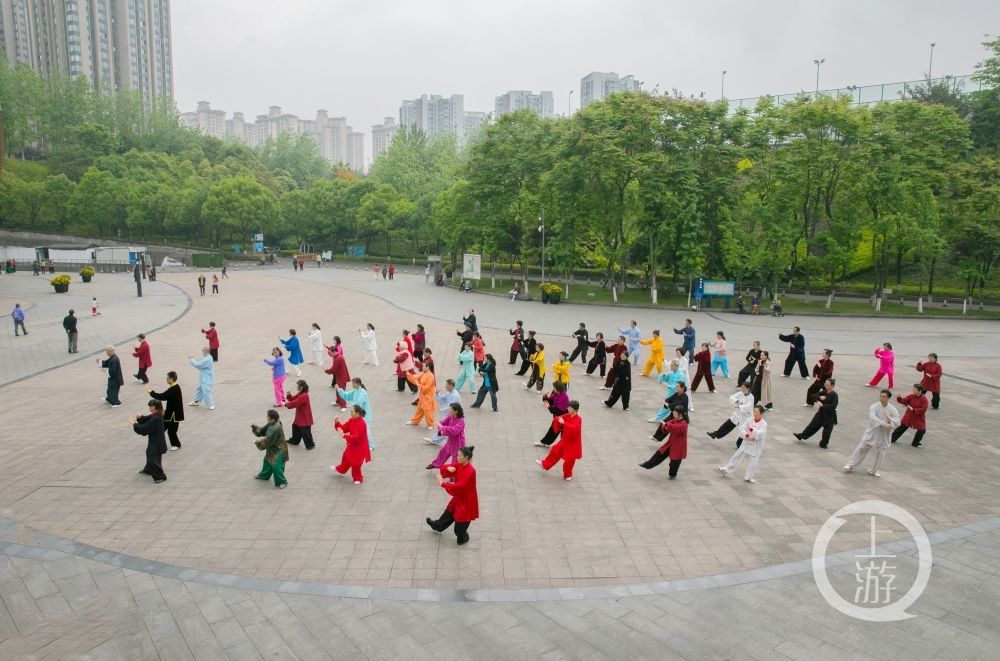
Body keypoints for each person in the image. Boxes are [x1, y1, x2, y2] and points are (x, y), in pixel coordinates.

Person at [426, 445, 478, 545]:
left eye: (459, 456)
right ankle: (437, 526)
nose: (457, 457)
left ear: (466, 458)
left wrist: (443, 483)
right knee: (448, 513)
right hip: (458, 498)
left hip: (466, 502)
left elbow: (460, 486)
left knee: (458, 531)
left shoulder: (471, 471)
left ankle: (463, 537)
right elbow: (444, 469)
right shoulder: (459, 465)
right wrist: (448, 468)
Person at [844, 390, 900, 477]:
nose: (881, 398)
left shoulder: (893, 409)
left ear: (888, 398)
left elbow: (897, 421)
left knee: (881, 452)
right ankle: (851, 465)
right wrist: (883, 423)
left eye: (884, 397)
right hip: (873, 431)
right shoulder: (874, 406)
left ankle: (874, 470)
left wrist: (890, 420)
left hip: (884, 433)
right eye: (880, 396)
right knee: (861, 447)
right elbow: (872, 417)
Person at [718, 405, 768, 483]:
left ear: (760, 413)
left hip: (756, 445)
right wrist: (747, 435)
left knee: (754, 462)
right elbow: (742, 428)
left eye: (756, 412)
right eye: (754, 411)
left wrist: (754, 432)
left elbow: (762, 433)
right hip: (747, 441)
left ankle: (748, 477)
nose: (754, 413)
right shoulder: (750, 420)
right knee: (737, 455)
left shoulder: (764, 423)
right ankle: (727, 469)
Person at [536, 401, 583, 481]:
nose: (568, 408)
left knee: (569, 460)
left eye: (570, 408)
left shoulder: (578, 419)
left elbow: (574, 428)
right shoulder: (568, 415)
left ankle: (567, 474)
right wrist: (557, 420)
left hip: (573, 443)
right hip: (565, 440)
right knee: (555, 450)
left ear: (575, 410)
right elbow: (559, 418)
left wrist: (564, 423)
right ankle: (545, 464)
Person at [640, 406, 689, 479]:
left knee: (674, 462)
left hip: (678, 446)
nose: (673, 414)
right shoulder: (675, 420)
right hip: (670, 443)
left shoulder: (684, 424)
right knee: (659, 453)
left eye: (675, 413)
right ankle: (648, 464)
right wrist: (665, 425)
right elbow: (668, 425)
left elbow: (676, 428)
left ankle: (672, 475)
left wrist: (667, 425)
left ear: (680, 414)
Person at [794, 378, 838, 448]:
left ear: (832, 386)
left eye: (827, 384)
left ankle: (823, 444)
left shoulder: (834, 395)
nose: (825, 385)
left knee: (827, 433)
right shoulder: (824, 392)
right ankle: (801, 436)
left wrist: (823, 405)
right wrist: (819, 397)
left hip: (830, 417)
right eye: (825, 384)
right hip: (821, 414)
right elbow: (813, 396)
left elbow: (833, 405)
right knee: (812, 426)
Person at [131, 399, 168, 483]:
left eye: (150, 406)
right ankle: (148, 469)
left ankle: (160, 476)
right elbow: (148, 419)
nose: (149, 408)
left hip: (156, 442)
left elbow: (145, 428)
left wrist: (134, 423)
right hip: (156, 440)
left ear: (154, 407)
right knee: (152, 455)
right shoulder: (157, 414)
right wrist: (141, 418)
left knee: (152, 457)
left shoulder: (156, 418)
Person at [332, 405, 371, 484]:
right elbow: (343, 428)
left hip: (360, 446)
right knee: (346, 457)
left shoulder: (362, 423)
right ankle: (341, 470)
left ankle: (358, 478)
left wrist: (344, 436)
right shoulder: (351, 420)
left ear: (357, 413)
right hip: (352, 444)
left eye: (352, 412)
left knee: (356, 463)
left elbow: (356, 437)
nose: (350, 413)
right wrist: (337, 422)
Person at [148, 371, 184, 450]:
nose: (166, 379)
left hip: (174, 414)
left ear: (171, 379)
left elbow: (162, 396)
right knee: (162, 428)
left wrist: (151, 392)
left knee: (171, 431)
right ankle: (157, 442)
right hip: (169, 413)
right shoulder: (173, 387)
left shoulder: (174, 389)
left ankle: (176, 444)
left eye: (167, 378)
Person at [252, 409, 288, 488]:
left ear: (272, 419)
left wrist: (256, 442)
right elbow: (262, 430)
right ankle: (264, 475)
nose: (267, 418)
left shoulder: (276, 428)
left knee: (276, 466)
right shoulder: (271, 423)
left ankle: (282, 482)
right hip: (273, 447)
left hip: (280, 449)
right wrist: (254, 427)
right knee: (267, 461)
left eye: (268, 417)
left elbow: (267, 440)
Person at [339, 378, 375, 451]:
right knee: (355, 429)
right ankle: (356, 441)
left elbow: (360, 402)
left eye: (353, 383)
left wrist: (352, 405)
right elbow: (347, 395)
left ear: (357, 383)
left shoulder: (363, 392)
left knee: (366, 430)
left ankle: (371, 445)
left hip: (363, 415)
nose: (352, 385)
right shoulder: (355, 391)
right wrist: (340, 391)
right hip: (357, 414)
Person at [427, 403, 466, 469]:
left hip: (458, 443)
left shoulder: (461, 421)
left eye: (451, 410)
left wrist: (443, 428)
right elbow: (442, 422)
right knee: (443, 452)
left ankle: (453, 475)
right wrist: (440, 428)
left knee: (455, 459)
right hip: (451, 441)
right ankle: (435, 464)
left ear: (456, 411)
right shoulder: (450, 417)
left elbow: (454, 431)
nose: (449, 411)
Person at [425, 380, 462, 445]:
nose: (446, 386)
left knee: (447, 429)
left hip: (454, 415)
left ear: (451, 385)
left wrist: (442, 410)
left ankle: (441, 441)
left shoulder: (455, 395)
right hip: (449, 414)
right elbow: (441, 400)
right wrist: (437, 393)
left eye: (447, 385)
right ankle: (435, 440)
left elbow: (452, 407)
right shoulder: (448, 393)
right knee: (444, 428)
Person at [535, 381, 570, 446]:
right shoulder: (556, 394)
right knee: (553, 430)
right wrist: (545, 396)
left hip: (563, 418)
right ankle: (544, 442)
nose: (553, 389)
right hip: (558, 418)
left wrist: (549, 407)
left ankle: (546, 442)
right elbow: (550, 401)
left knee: (560, 432)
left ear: (557, 388)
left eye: (554, 387)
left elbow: (559, 410)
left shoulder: (564, 397)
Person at [284, 380, 315, 451]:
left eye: (297, 386)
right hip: (300, 416)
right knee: (295, 427)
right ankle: (295, 440)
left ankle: (310, 444)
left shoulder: (304, 395)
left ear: (301, 387)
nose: (296, 387)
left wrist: (287, 404)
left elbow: (296, 402)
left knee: (305, 431)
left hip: (304, 417)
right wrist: (289, 395)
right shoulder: (300, 394)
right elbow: (293, 399)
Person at [406, 363, 437, 429]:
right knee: (419, 409)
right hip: (422, 396)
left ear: (428, 367)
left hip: (428, 396)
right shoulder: (424, 374)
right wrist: (409, 375)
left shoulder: (431, 376)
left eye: (423, 366)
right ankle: (415, 421)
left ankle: (431, 424)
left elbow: (425, 388)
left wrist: (418, 384)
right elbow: (416, 379)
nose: (422, 367)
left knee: (428, 411)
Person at [325, 340, 351, 408]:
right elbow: (330, 353)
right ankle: (338, 402)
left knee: (341, 391)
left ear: (334, 352)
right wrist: (327, 347)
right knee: (337, 389)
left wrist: (326, 370)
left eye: (330, 352)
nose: (329, 354)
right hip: (339, 376)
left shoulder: (338, 358)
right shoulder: (336, 356)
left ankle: (343, 406)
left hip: (342, 377)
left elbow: (333, 369)